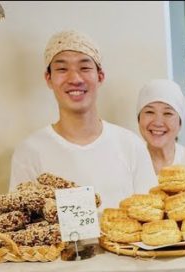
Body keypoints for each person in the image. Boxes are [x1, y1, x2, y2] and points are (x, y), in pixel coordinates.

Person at [9, 30, 157, 209]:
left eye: (85, 68)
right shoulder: (30, 151)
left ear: (100, 76)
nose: (75, 78)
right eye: (62, 69)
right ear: (48, 78)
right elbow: (21, 224)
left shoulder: (131, 145)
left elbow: (151, 215)